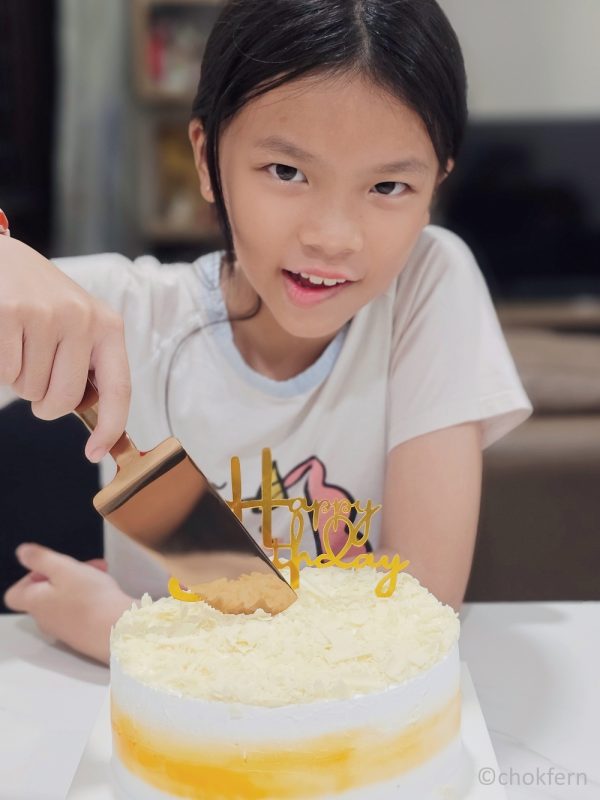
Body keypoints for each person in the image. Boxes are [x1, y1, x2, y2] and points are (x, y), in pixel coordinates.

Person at [0, 0, 531, 664]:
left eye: (389, 186)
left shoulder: (429, 282)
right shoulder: (120, 313)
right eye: (287, 172)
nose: (332, 237)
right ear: (206, 158)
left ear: (436, 187)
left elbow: (412, 623)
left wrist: (130, 635)